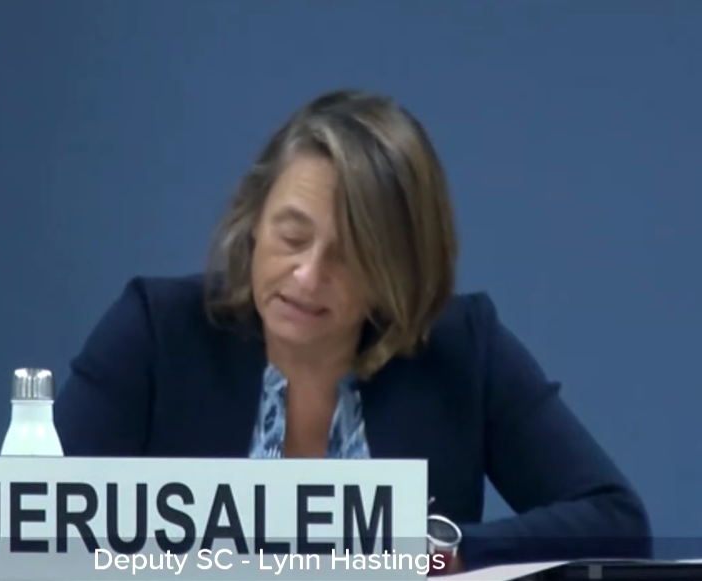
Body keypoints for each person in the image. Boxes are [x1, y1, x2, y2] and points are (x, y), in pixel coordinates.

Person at [53, 89, 652, 572]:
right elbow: (33, 530)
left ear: (399, 268)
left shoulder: (462, 348)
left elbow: (616, 520)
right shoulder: (156, 332)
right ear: (253, 220)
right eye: (292, 236)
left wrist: (446, 549)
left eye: (350, 256)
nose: (308, 276)